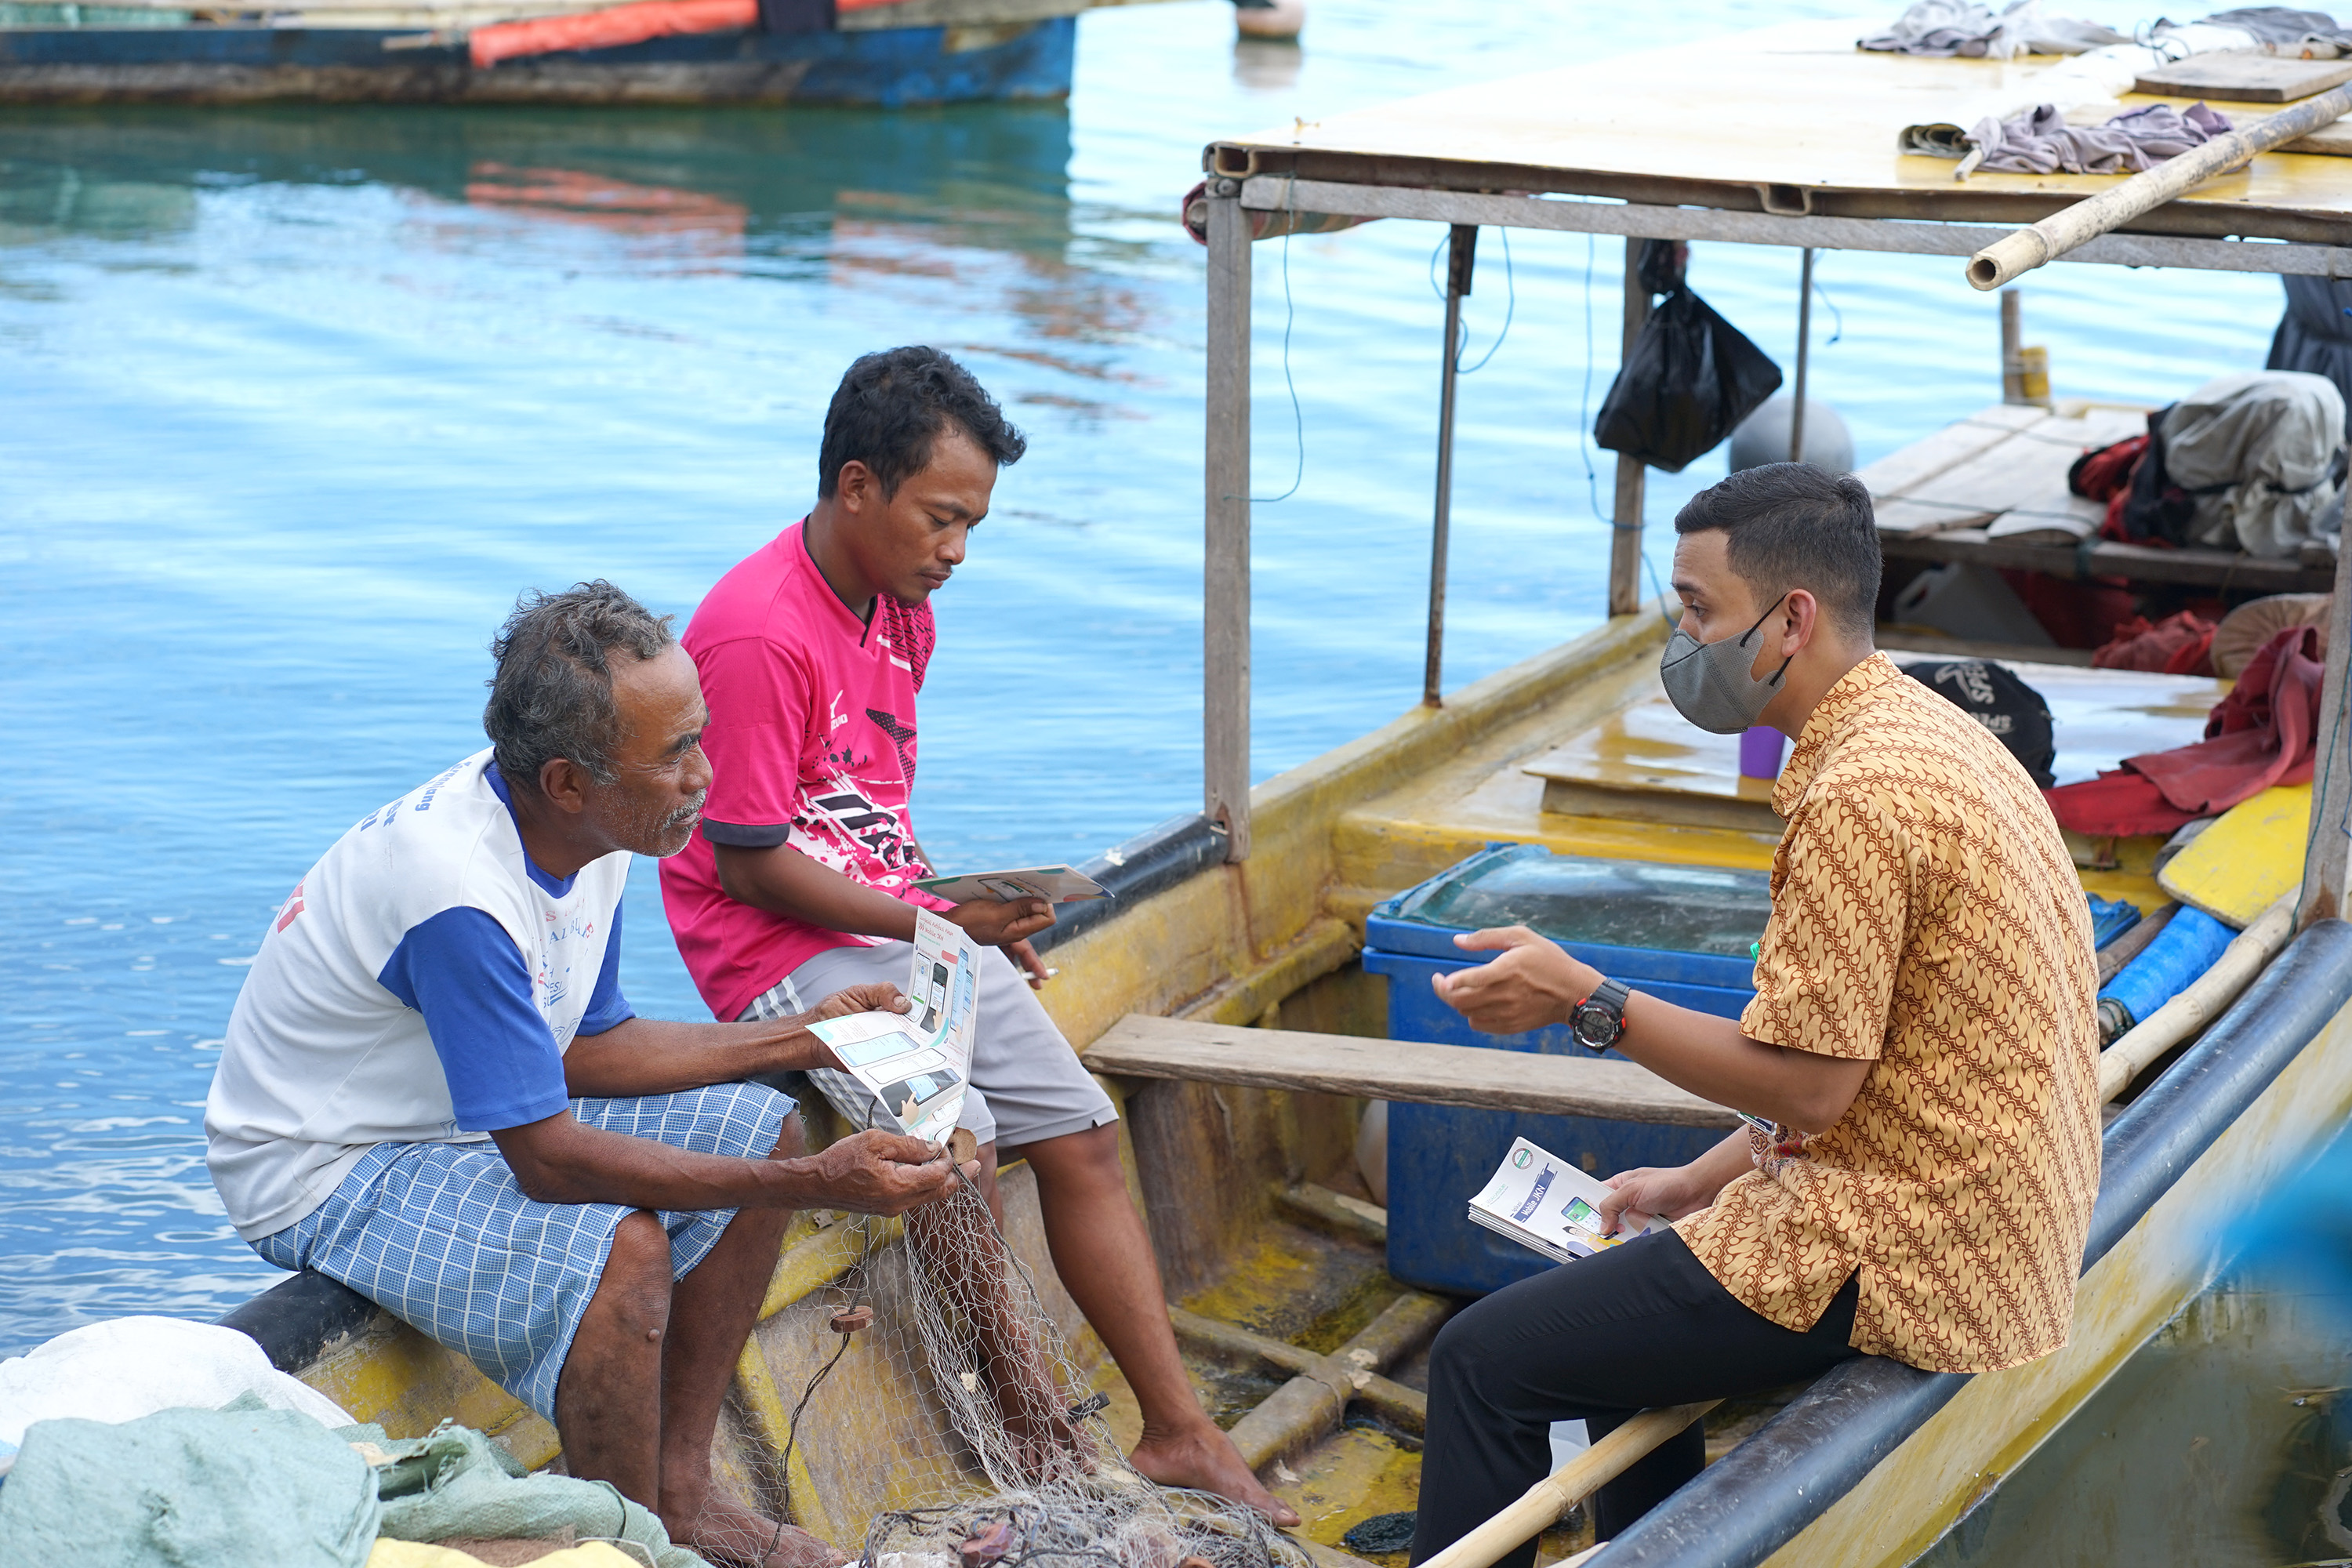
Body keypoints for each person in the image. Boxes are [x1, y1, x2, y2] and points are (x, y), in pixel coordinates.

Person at [1407, 464, 2103, 1564]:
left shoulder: (1856, 797)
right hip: (1988, 1210)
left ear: (1792, 620)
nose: (1681, 638)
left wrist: (1584, 997)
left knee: (1484, 1363)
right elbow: (1880, 1066)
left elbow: (1813, 1088)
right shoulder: (1926, 731)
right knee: (1612, 1314)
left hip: (1916, 1250)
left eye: (1698, 610)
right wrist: (1694, 1185)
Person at [206, 583, 972, 1568]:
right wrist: (821, 1185)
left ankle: (678, 1498)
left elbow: (587, 1044)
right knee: (628, 1252)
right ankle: (621, 1546)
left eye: (699, 736)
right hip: (326, 1162)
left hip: (451, 1113)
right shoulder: (458, 897)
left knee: (769, 1124)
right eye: (675, 754)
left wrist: (805, 1041)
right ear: (568, 779)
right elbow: (551, 1162)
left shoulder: (598, 827)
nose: (705, 774)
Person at [658, 346, 1294, 1524]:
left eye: (974, 524)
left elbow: (862, 817)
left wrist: (968, 923)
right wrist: (937, 921)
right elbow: (749, 858)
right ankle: (1034, 1429)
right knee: (964, 1145)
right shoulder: (755, 631)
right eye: (942, 518)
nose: (958, 549)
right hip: (779, 955)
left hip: (898, 926)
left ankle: (1177, 1431)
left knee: (1085, 1131)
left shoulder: (901, 610)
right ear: (858, 487)